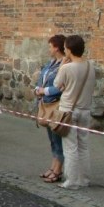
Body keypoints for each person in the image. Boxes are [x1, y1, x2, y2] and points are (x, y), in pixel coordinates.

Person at [54, 35, 96, 190]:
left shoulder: (67, 67)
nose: (64, 50)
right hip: (85, 109)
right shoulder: (91, 66)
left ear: (69, 50)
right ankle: (84, 179)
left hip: (69, 110)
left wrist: (61, 66)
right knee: (83, 145)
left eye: (65, 48)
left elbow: (57, 84)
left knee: (70, 147)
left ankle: (71, 180)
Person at [35, 35, 66, 183]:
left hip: (56, 104)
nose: (49, 49)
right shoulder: (51, 63)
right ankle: (53, 166)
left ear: (57, 48)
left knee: (57, 137)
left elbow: (61, 87)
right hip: (45, 105)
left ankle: (58, 169)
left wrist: (44, 91)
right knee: (51, 139)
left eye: (50, 46)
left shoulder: (64, 66)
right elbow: (42, 77)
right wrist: (37, 88)